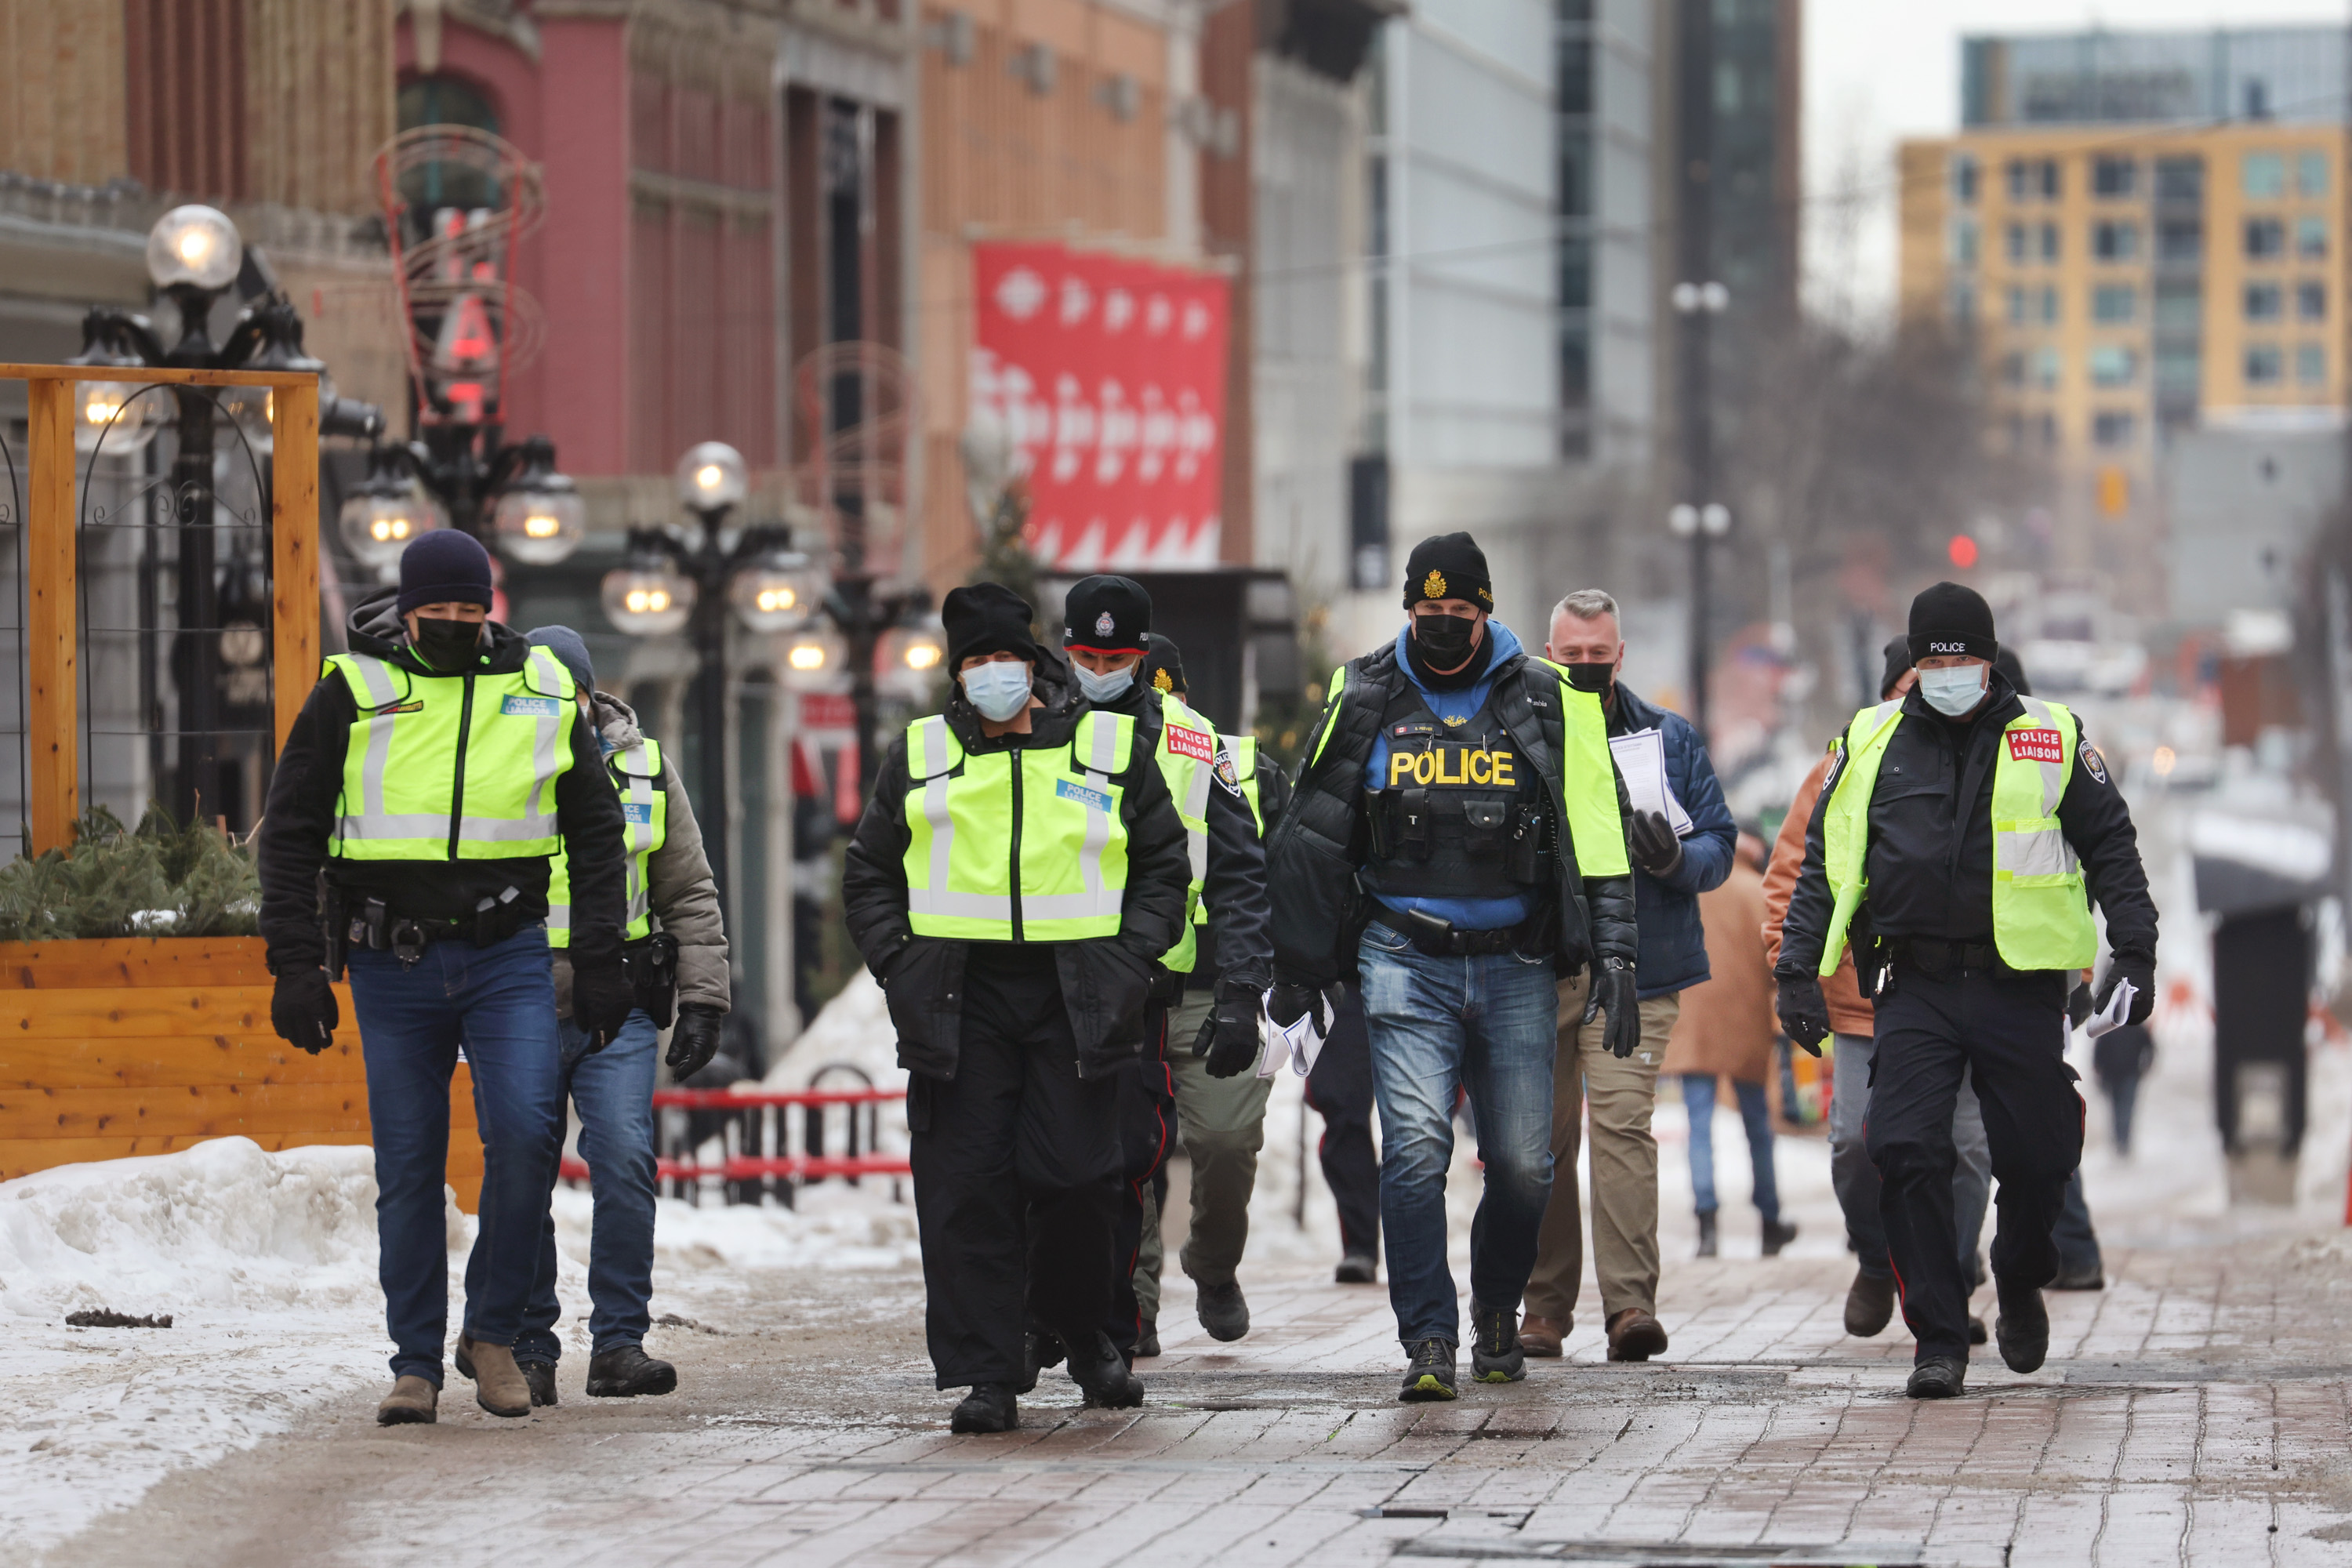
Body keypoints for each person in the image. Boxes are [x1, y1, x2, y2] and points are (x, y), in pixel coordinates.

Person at [256, 531, 634, 1425]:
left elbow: (597, 828)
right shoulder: (353, 689)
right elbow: (290, 830)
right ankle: (415, 1362)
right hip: (394, 962)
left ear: (491, 607)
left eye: (473, 612)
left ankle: (494, 1334)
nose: (459, 627)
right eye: (441, 615)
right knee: (410, 1165)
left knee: (528, 1135)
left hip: (508, 955)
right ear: (408, 608)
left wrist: (602, 953)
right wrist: (296, 963)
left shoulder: (539, 689)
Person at [1267, 533, 1639, 1401]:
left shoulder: (1550, 698)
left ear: (1487, 610)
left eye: (1458, 615)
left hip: (1515, 960)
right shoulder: (1362, 690)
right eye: (1426, 614)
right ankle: (1429, 1335)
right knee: (1416, 1153)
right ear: (1408, 610)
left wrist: (1616, 945)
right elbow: (1316, 831)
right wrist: (1299, 964)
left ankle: (1499, 1309)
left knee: (1522, 1164)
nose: (1440, 627)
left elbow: (1596, 828)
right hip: (1402, 954)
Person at [1777, 582, 2158, 1399]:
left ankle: (2021, 1276)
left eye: (1962, 656)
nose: (1947, 670)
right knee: (1904, 1149)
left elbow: (2113, 847)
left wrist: (2136, 948)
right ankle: (1939, 1337)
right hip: (1912, 982)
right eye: (1933, 657)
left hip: (2018, 985)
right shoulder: (1870, 739)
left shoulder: (2051, 737)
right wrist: (1796, 970)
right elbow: (1824, 862)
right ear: (1915, 662)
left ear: (1988, 659)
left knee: (2037, 1154)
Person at [840, 583, 1194, 1433]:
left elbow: (1163, 864)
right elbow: (870, 874)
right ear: (956, 674)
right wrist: (901, 962)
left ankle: (1082, 1330)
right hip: (960, 1002)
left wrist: (1129, 957)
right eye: (975, 661)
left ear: (1033, 665)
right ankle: (988, 1373)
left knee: (1079, 1179)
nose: (992, 673)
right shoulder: (921, 754)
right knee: (968, 1190)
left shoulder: (1102, 749)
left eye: (1005, 658)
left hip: (1075, 997)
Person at [502, 626, 729, 1405]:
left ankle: (619, 1344)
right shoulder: (502, 756)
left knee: (626, 1158)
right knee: (521, 1168)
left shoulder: (646, 767)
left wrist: (703, 995)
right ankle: (529, 1345)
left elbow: (689, 891)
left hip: (620, 1003)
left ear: (594, 693)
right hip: (515, 995)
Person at [1519, 589, 1733, 1362]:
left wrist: (1677, 860)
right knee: (1540, 1141)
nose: (1583, 669)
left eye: (1597, 656)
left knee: (1620, 1127)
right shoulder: (1519, 737)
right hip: (1541, 968)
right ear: (1549, 654)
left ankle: (1629, 1305)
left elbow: (1720, 840)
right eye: (1569, 656)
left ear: (1620, 655)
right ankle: (1543, 1306)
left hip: (1637, 971)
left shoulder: (1667, 739)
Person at [1762, 637, 1993, 1343]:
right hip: (1863, 1001)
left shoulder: (1992, 759)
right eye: (1909, 685)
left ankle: (1948, 1278)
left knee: (1965, 1148)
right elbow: (1791, 879)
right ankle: (1874, 1255)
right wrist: (1791, 968)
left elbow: (2043, 872)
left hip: (1971, 992)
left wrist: (2069, 976)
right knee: (1857, 1146)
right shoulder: (1841, 766)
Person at [1061, 619, 1276, 1359]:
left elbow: (1268, 878)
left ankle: (1213, 1266)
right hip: (1129, 986)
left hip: (1216, 989)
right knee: (1131, 1151)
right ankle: (1136, 1309)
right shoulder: (1072, 749)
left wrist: (1267, 986)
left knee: (1223, 1142)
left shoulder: (1228, 761)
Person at [1662, 832, 1794, 1259]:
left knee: (1698, 1126)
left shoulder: (1689, 891)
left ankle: (1707, 1225)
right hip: (1746, 1021)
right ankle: (1770, 1221)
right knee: (1758, 1124)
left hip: (1694, 1022)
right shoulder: (1757, 890)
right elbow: (1779, 957)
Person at [1308, 985, 1382, 1283]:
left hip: (1427, 967)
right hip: (1344, 980)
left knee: (1423, 1126)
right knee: (1345, 1115)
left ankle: (1418, 1250)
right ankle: (1360, 1246)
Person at [2094, 1020, 2154, 1156]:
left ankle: (2124, 1142)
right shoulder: (2108, 1028)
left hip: (2130, 1075)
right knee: (2116, 1109)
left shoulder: (2136, 1028)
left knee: (2125, 1109)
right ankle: (2119, 1141)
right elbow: (2098, 1054)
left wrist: (2146, 1066)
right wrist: (2099, 1072)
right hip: (2112, 1077)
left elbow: (2150, 1047)